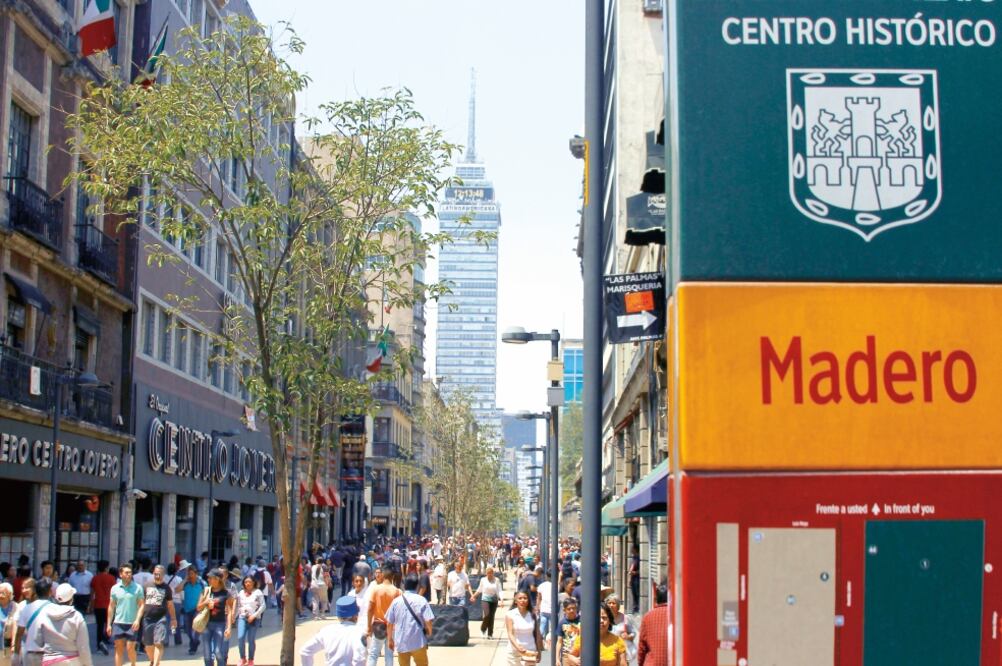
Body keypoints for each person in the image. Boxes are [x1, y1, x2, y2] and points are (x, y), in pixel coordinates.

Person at [299, 596, 367, 666]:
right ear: (356, 615)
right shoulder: (359, 632)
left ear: (338, 616)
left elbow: (305, 651)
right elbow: (359, 659)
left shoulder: (327, 630)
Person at [35, 583, 92, 666]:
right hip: (72, 661)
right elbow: (83, 647)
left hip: (49, 661)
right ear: (71, 598)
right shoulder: (76, 617)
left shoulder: (44, 614)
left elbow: (38, 639)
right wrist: (88, 664)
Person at [385, 574, 434, 666]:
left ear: (404, 585)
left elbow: (389, 623)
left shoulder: (396, 601)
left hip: (401, 642)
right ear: (417, 585)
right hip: (418, 641)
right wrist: (429, 633)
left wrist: (390, 639)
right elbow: (428, 621)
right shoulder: (422, 600)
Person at [135, 565, 176, 666]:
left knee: (158, 642)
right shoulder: (146, 586)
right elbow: (141, 604)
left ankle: (156, 664)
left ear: (163, 575)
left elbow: (170, 605)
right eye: (155, 574)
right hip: (147, 619)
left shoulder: (167, 588)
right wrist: (137, 619)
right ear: (153, 573)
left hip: (161, 618)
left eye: (159, 574)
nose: (157, 576)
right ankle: (153, 661)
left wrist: (173, 619)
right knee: (148, 645)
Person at [106, 565, 143, 666]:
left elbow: (141, 605)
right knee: (118, 649)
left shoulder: (138, 588)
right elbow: (111, 606)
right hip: (118, 623)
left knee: (130, 648)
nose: (129, 574)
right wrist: (109, 624)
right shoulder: (115, 588)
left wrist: (137, 620)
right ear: (120, 574)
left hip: (132, 623)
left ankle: (133, 664)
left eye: (130, 572)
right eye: (126, 572)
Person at [198, 569, 234, 666]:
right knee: (207, 656)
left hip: (220, 624)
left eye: (211, 578)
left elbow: (230, 611)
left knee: (218, 653)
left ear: (217, 579)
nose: (208, 580)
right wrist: (206, 602)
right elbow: (198, 607)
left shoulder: (226, 593)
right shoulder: (205, 591)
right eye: (208, 578)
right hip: (206, 624)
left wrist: (229, 627)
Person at [366, 567, 399, 666]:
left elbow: (370, 609)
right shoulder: (397, 591)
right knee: (389, 655)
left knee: (373, 654)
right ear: (393, 577)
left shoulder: (376, 589)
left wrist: (368, 626)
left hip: (378, 626)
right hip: (392, 627)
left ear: (383, 576)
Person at [16, 579, 52, 666]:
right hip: (47, 654)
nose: (24, 590)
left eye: (27, 587)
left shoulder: (26, 608)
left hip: (31, 653)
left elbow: (19, 633)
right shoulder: (53, 607)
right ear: (49, 592)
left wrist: (16, 654)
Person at [637, 581, 668, 666]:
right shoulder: (677, 616)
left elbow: (641, 648)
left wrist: (640, 663)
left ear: (656, 599)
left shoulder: (647, 617)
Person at [505, 591, 540, 665]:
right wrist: (518, 647)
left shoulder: (533, 615)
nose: (522, 600)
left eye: (525, 598)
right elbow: (510, 633)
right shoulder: (510, 614)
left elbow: (537, 634)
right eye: (520, 598)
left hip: (530, 651)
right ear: (515, 601)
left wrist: (539, 651)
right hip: (514, 652)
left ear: (528, 600)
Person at [236, 576, 265, 666]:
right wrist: (234, 617)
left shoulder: (258, 592)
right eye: (246, 582)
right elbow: (238, 606)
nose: (247, 584)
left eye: (249, 582)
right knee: (240, 638)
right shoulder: (241, 593)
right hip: (242, 618)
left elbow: (263, 606)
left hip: (254, 619)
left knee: (251, 639)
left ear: (253, 582)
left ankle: (251, 659)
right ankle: (242, 658)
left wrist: (254, 616)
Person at [90, 561, 115, 656]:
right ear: (106, 568)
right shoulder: (112, 578)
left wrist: (91, 605)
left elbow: (92, 594)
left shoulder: (95, 578)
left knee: (99, 625)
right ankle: (106, 639)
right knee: (109, 624)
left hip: (98, 605)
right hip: (109, 605)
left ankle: (99, 643)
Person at [179, 567, 205, 655]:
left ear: (196, 574)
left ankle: (193, 647)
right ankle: (195, 641)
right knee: (187, 629)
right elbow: (177, 590)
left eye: (191, 573)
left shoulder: (201, 584)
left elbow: (207, 594)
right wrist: (185, 580)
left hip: (197, 610)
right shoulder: (186, 584)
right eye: (188, 574)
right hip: (187, 609)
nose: (190, 575)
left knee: (195, 629)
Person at [606, 594, 637, 666]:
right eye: (609, 603)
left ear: (618, 606)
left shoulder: (625, 618)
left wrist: (628, 637)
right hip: (608, 652)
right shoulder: (604, 618)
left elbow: (633, 633)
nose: (611, 605)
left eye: (613, 603)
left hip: (622, 653)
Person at [469, 567, 500, 639]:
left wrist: (501, 600)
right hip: (485, 599)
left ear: (493, 573)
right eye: (488, 573)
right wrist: (473, 596)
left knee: (492, 617)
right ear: (486, 574)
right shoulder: (483, 580)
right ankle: (483, 628)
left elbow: (499, 590)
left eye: (491, 573)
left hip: (494, 599)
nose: (489, 575)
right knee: (487, 615)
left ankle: (490, 634)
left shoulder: (497, 580)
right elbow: (479, 589)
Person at [554, 599, 580, 666]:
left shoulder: (581, 620)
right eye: (569, 609)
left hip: (579, 655)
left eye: (573, 608)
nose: (572, 610)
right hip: (567, 655)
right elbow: (559, 642)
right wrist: (557, 658)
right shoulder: (562, 623)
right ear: (564, 610)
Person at [0, 582, 20, 666]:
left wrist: (14, 645)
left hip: (8, 647)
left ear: (10, 594)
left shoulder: (16, 607)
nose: (0, 595)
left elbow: (17, 627)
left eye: (3, 593)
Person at [537, 572, 553, 645]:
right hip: (552, 609)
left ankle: (539, 641)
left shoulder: (541, 585)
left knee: (542, 625)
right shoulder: (556, 585)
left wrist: (538, 607)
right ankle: (549, 643)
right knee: (551, 628)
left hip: (543, 608)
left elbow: (539, 598)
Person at [628, 547, 641, 614]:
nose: (631, 551)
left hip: (637, 578)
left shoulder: (639, 558)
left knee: (637, 593)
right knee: (634, 593)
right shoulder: (633, 558)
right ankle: (635, 607)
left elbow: (642, 570)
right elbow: (631, 568)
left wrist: (635, 573)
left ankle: (638, 608)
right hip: (633, 578)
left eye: (632, 549)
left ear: (635, 550)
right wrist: (630, 579)